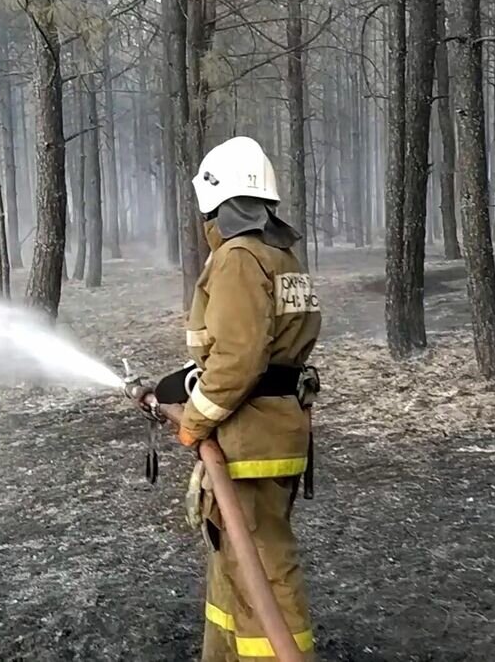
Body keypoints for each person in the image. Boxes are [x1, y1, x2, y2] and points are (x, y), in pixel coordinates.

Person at [174, 136, 322, 661]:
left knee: (261, 561)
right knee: (235, 553)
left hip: (249, 434)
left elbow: (238, 358)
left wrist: (195, 418)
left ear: (216, 202)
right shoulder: (281, 255)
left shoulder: (238, 258)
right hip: (276, 427)